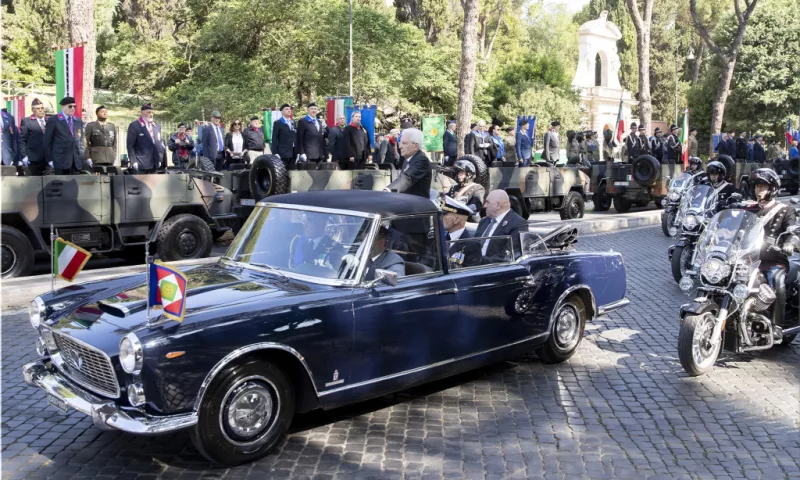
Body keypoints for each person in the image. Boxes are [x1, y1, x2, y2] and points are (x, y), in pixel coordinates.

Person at [747, 168, 797, 329]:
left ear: (772, 189)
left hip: (774, 259)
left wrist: (790, 243)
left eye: (763, 186)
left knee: (777, 281)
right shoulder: (748, 209)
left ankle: (777, 325)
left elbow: (793, 230)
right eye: (757, 186)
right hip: (749, 259)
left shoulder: (785, 210)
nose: (759, 189)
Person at [474, 190, 526, 261]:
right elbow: (473, 245)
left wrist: (478, 260)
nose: (485, 206)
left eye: (487, 202)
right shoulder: (484, 221)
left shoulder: (518, 224)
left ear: (498, 205)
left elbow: (506, 257)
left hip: (492, 269)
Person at [44, 96, 86, 174]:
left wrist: (81, 156)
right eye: (70, 106)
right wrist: (49, 159)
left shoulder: (77, 121)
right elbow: (47, 141)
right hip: (60, 160)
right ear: (63, 106)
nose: (73, 108)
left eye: (74, 106)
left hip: (75, 161)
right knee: (62, 184)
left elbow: (81, 141)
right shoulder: (54, 120)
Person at [385, 128, 431, 198]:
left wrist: (388, 190)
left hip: (417, 205)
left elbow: (407, 178)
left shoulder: (421, 160)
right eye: (400, 143)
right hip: (407, 201)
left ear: (415, 146)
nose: (400, 147)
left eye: (404, 143)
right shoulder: (408, 159)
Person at [441, 196, 482, 269]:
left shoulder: (472, 245)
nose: (440, 218)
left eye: (444, 215)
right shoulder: (439, 238)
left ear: (456, 219)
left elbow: (469, 276)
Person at [20, 98, 50, 175]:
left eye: (42, 108)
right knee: (35, 183)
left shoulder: (49, 121)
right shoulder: (27, 121)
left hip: (48, 159)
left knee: (49, 184)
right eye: (37, 108)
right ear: (33, 110)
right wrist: (24, 156)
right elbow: (22, 140)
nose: (40, 110)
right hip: (33, 159)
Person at [271, 104, 296, 170]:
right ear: (282, 112)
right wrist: (275, 152)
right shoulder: (278, 123)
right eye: (286, 109)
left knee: (292, 172)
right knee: (282, 173)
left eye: (289, 109)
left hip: (293, 152)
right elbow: (274, 138)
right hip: (283, 152)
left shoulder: (293, 122)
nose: (289, 110)